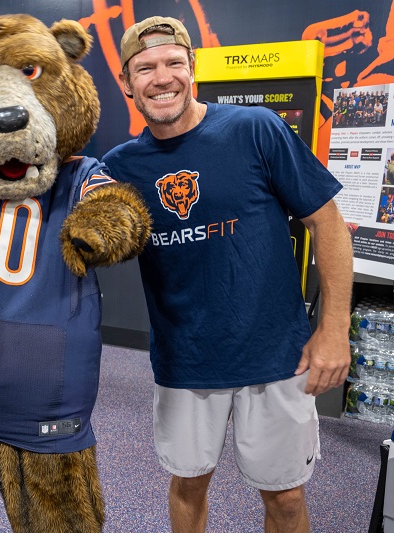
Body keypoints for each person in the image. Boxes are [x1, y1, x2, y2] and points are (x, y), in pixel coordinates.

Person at [103, 16, 353, 533]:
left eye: (173, 62)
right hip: (186, 359)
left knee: (286, 497)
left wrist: (334, 328)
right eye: (145, 68)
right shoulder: (119, 167)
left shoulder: (255, 129)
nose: (162, 77)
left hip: (275, 354)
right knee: (188, 485)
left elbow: (327, 223)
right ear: (126, 82)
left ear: (193, 68)